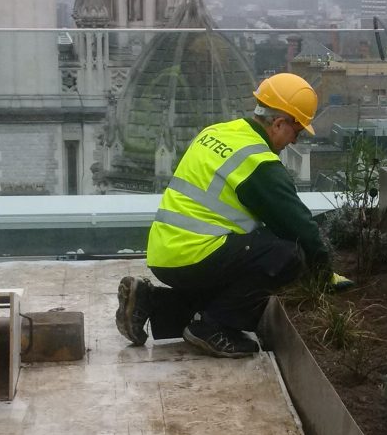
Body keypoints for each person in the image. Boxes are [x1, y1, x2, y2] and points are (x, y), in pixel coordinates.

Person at [116, 72, 353, 358]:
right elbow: (299, 227)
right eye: (297, 132)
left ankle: (150, 302)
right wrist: (323, 274)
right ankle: (214, 327)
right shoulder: (258, 162)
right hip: (194, 255)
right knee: (286, 257)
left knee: (238, 279)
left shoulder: (216, 132)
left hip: (165, 253)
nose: (294, 141)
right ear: (279, 123)